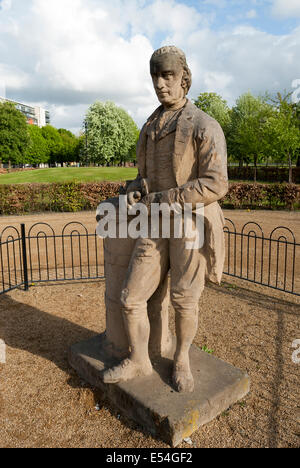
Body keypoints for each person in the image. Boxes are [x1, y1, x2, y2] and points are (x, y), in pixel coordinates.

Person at [102, 46, 228, 392]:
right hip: (154, 223)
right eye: (155, 75)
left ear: (184, 78)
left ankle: (182, 359)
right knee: (131, 297)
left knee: (184, 300)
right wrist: (133, 189)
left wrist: (166, 197)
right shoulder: (149, 126)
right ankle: (139, 359)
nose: (160, 83)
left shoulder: (204, 124)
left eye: (167, 75)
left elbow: (217, 183)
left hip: (189, 224)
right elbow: (142, 177)